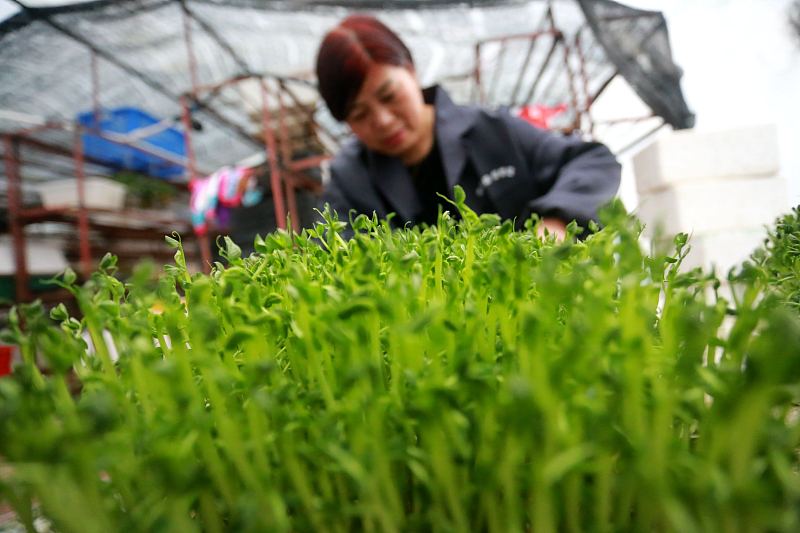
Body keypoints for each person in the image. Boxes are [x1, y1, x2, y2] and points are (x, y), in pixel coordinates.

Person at [315, 14, 621, 239]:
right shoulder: (350, 179)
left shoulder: (491, 131)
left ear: (410, 69)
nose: (382, 120)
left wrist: (556, 221)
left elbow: (592, 161)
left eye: (389, 95)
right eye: (359, 114)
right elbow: (331, 249)